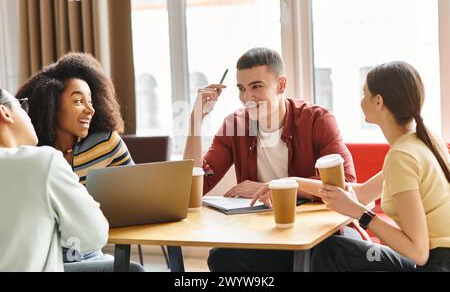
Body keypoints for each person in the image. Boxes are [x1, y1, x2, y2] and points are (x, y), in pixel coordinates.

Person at [183, 47, 357, 271]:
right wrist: (195, 121)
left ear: (281, 85)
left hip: (317, 236)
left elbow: (346, 185)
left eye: (256, 86)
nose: (247, 98)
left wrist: (271, 188)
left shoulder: (317, 120)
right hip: (265, 234)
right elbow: (193, 188)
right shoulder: (234, 125)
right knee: (222, 257)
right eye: (241, 89)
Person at [307, 61, 450, 271]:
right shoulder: (423, 141)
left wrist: (360, 213)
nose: (361, 100)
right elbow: (363, 192)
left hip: (436, 263)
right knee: (333, 248)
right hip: (437, 259)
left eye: (364, 94)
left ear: (378, 101)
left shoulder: (401, 156)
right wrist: (290, 184)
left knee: (328, 250)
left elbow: (418, 253)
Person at [15, 53, 140, 271]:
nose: (90, 109)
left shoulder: (106, 142)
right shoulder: (32, 154)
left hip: (92, 254)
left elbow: (139, 194)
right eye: (78, 101)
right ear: (53, 105)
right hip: (47, 259)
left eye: (90, 101)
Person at [0, 88, 108, 271]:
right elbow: (94, 235)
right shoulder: (43, 162)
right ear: (5, 113)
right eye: (22, 105)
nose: (29, 115)